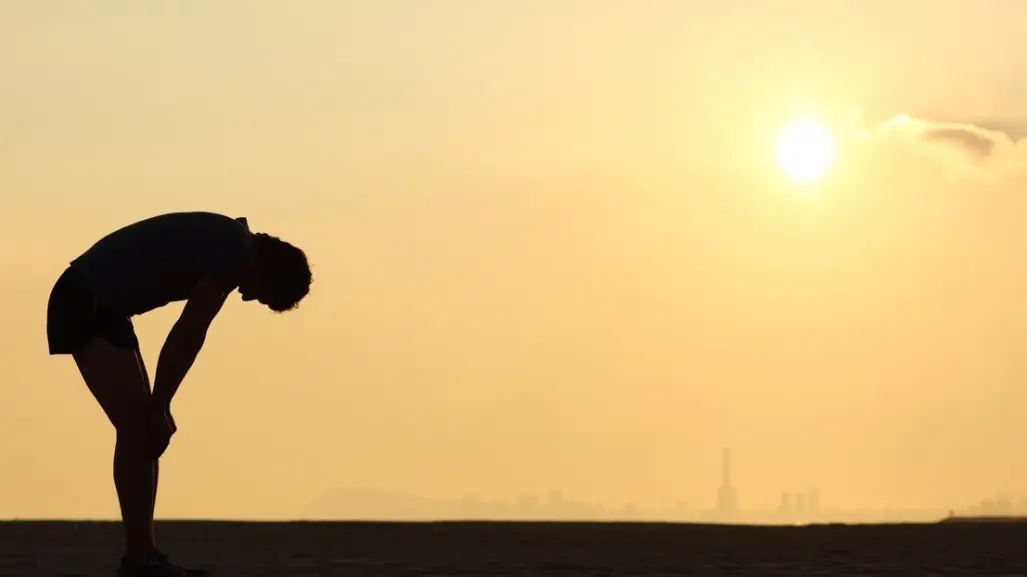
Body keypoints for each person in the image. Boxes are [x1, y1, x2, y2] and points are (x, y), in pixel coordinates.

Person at [45, 212, 312, 577]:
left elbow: (191, 336)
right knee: (138, 429)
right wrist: (160, 405)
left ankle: (144, 555)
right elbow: (187, 334)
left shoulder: (235, 247)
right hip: (81, 301)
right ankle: (139, 561)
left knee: (144, 431)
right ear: (267, 271)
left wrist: (160, 406)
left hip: (106, 309)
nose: (250, 299)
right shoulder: (234, 251)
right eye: (263, 297)